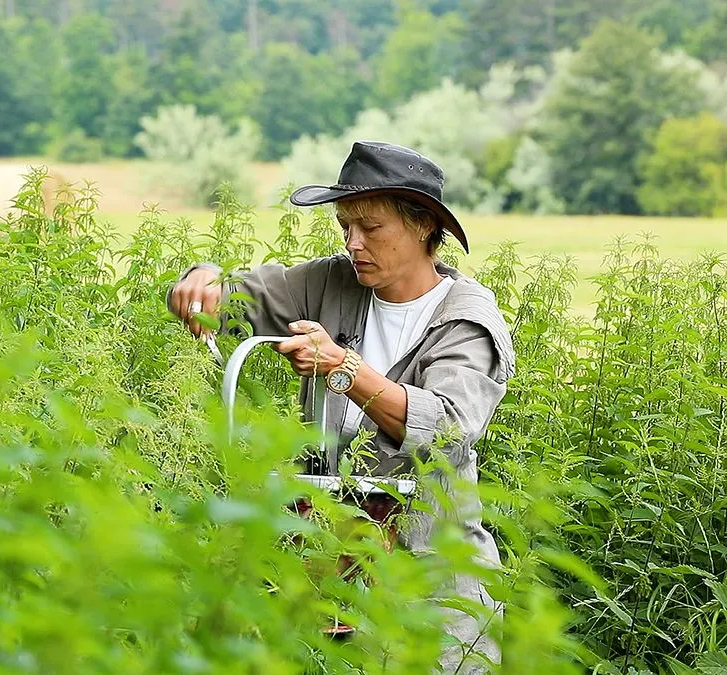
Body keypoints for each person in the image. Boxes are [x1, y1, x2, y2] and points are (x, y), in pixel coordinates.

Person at [167, 141, 514, 673]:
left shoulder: (466, 321)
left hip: (433, 593)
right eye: (344, 225)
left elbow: (448, 426)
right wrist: (206, 276)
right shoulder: (332, 282)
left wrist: (343, 369)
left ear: (423, 225)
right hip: (329, 584)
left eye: (370, 227)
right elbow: (238, 297)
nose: (354, 242)